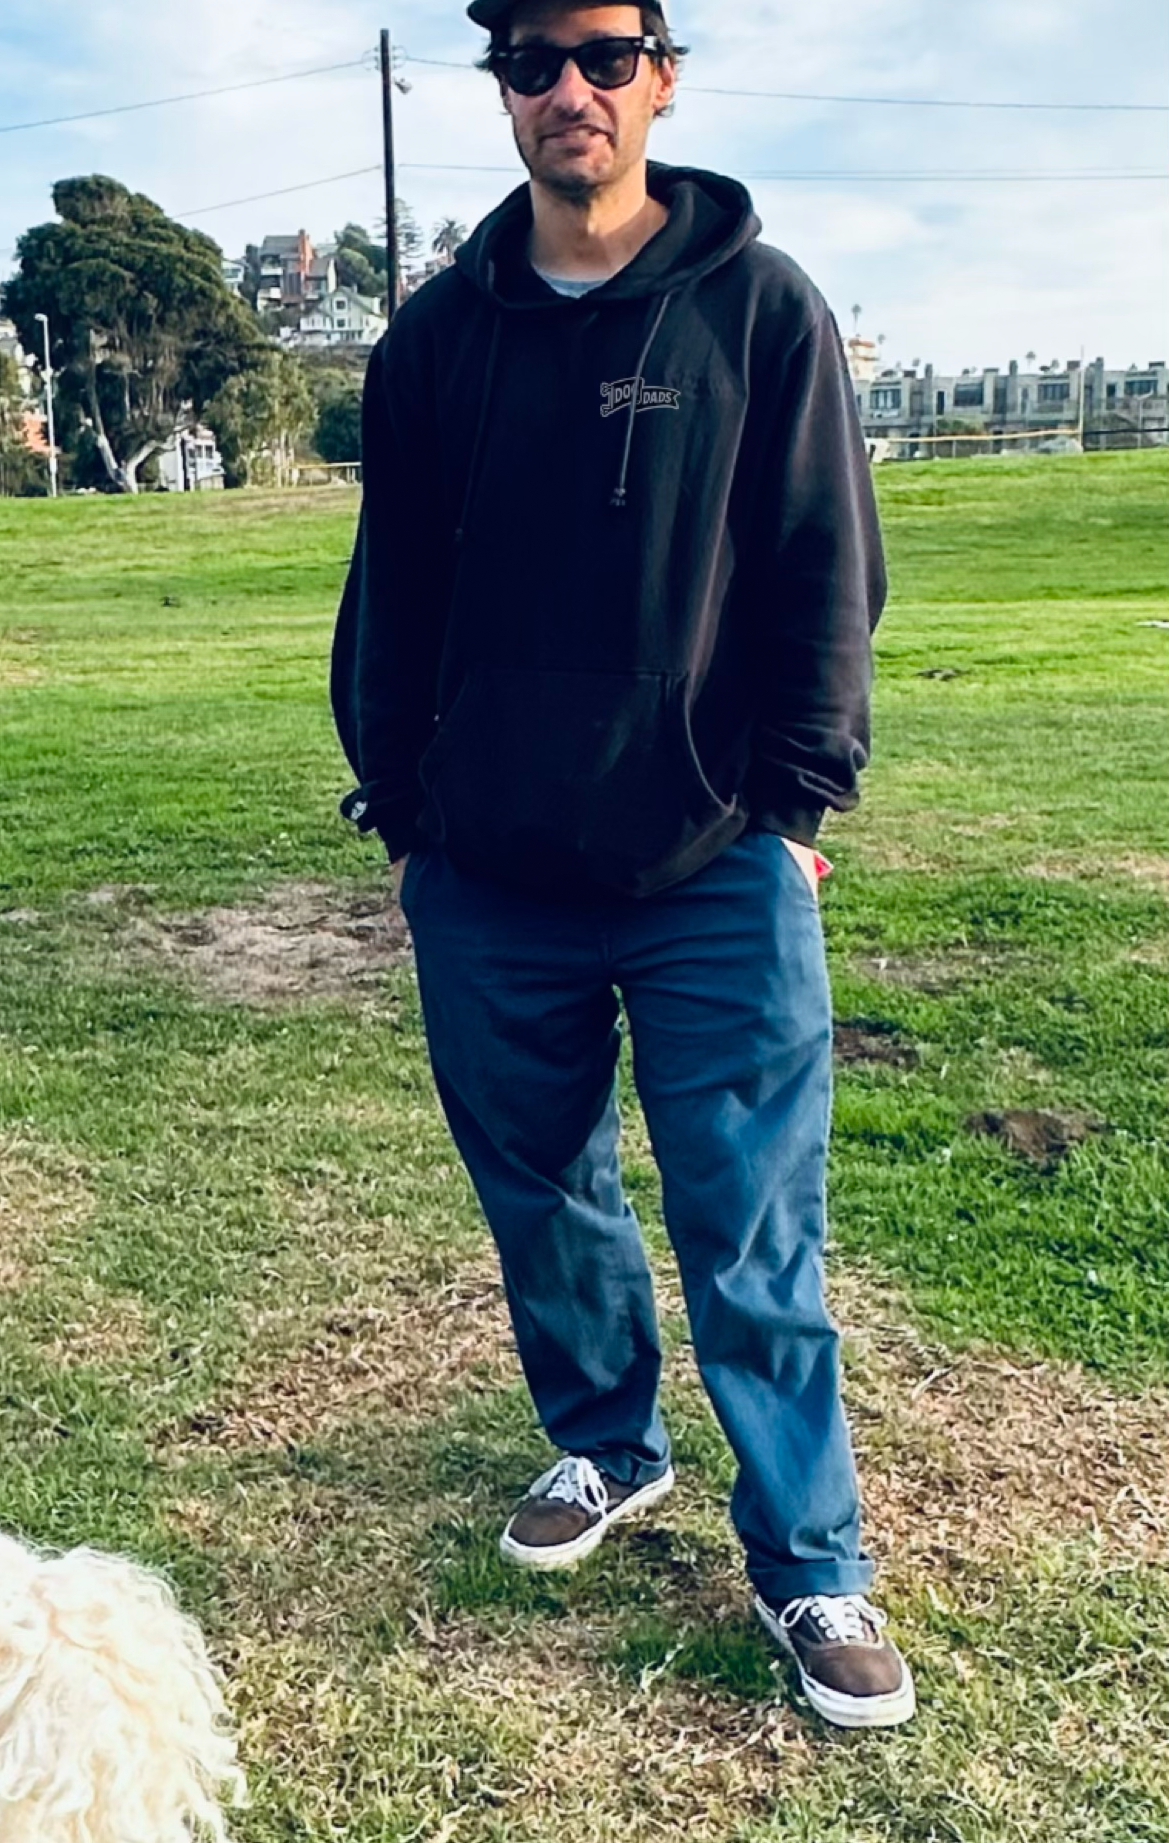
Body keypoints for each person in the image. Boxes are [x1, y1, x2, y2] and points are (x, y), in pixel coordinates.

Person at [331, 0, 912, 1729]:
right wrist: (406, 814)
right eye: (530, 62)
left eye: (599, 54)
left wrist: (791, 815)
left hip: (713, 860)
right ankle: (606, 1443)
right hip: (488, 871)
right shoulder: (435, 339)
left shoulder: (759, 309)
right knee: (541, 1190)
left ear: (660, 75)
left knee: (751, 1233)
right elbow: (391, 594)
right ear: (501, 94)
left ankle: (809, 1562)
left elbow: (824, 568)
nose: (565, 90)